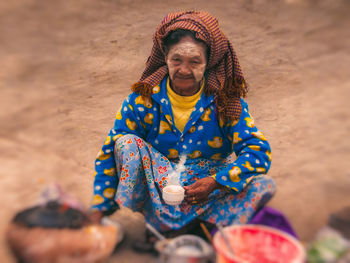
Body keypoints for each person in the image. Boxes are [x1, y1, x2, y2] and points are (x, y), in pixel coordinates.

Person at [90, 11, 276, 233]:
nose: (184, 70)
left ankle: (184, 225)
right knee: (124, 144)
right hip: (160, 188)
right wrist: (97, 213)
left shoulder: (226, 102)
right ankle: (175, 222)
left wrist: (215, 182)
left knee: (262, 185)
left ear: (208, 63)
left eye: (195, 61)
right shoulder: (142, 101)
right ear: (165, 58)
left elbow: (258, 151)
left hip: (211, 185)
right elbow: (108, 155)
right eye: (176, 60)